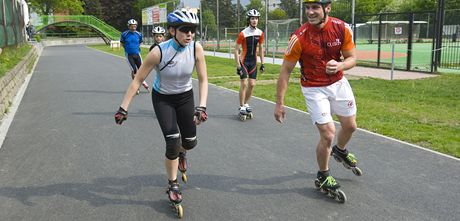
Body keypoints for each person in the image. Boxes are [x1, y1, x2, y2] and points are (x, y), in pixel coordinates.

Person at [114, 10, 208, 217]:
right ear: (172, 31)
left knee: (190, 142)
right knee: (173, 141)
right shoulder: (158, 52)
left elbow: (202, 79)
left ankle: (182, 153)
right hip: (163, 98)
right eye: (185, 30)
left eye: (193, 30)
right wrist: (123, 108)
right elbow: (137, 80)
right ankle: (173, 183)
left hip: (185, 97)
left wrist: (202, 106)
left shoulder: (196, 48)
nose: (190, 34)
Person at [274, 0, 361, 192]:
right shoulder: (299, 37)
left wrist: (340, 66)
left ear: (327, 8)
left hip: (338, 83)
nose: (310, 12)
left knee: (351, 126)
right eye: (307, 8)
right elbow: (285, 70)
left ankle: (340, 150)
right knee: (328, 133)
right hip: (314, 88)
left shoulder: (342, 28)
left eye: (315, 8)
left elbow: (352, 58)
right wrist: (279, 103)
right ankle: (323, 174)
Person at [234, 9, 265, 120]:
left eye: (256, 18)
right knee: (244, 84)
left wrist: (262, 63)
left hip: (253, 62)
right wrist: (238, 66)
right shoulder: (243, 33)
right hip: (244, 61)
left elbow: (261, 48)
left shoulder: (260, 33)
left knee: (252, 84)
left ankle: (246, 103)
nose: (254, 20)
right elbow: (236, 50)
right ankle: (241, 106)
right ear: (249, 20)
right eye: (252, 18)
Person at [120, 19, 150, 94]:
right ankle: (136, 87)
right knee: (134, 70)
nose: (133, 28)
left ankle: (142, 81)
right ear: (128, 26)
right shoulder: (124, 34)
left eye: (135, 26)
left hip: (137, 54)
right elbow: (122, 43)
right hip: (129, 55)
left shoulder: (139, 34)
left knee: (141, 70)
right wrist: (127, 49)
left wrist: (135, 49)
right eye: (132, 26)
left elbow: (140, 42)